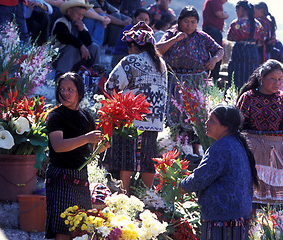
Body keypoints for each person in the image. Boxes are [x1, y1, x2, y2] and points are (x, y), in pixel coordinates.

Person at [45, 72, 110, 240]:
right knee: (64, 228)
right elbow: (58, 146)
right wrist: (86, 138)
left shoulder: (86, 116)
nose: (65, 93)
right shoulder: (56, 116)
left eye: (70, 89)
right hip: (61, 177)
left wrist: (104, 144)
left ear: (80, 93)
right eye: (62, 89)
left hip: (81, 177)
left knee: (82, 227)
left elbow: (91, 149)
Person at [104, 21, 167, 193]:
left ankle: (123, 194)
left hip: (132, 118)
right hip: (154, 120)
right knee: (148, 159)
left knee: (127, 158)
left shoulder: (130, 61)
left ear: (133, 45)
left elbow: (111, 87)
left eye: (129, 45)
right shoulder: (161, 64)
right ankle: (148, 196)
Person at [180, 104, 258, 240]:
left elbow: (201, 178)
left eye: (212, 120)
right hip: (237, 217)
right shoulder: (236, 143)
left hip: (223, 219)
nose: (206, 123)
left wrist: (181, 186)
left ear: (225, 126)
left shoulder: (222, 147)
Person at [156, 5, 223, 155]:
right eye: (186, 21)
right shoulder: (171, 34)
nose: (190, 25)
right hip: (175, 80)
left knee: (195, 116)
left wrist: (214, 60)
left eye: (193, 22)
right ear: (179, 21)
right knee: (173, 115)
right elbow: (157, 49)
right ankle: (173, 149)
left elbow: (220, 50)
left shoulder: (202, 37)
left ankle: (195, 151)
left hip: (197, 82)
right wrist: (175, 39)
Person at [236, 59, 283, 211]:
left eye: (280, 79)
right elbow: (238, 126)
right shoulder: (248, 97)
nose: (277, 83)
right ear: (262, 77)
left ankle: (276, 233)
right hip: (252, 152)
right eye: (273, 78)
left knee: (278, 202)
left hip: (278, 153)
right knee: (252, 197)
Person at [52, 0, 101, 77]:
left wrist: (82, 31)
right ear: (69, 11)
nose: (80, 17)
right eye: (78, 14)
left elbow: (88, 42)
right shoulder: (61, 22)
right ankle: (61, 74)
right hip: (60, 57)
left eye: (82, 15)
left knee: (95, 47)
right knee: (72, 47)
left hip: (77, 57)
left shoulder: (81, 24)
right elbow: (66, 38)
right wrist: (81, 46)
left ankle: (94, 72)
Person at [227, 0, 262, 89]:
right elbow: (260, 39)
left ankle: (237, 96)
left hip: (240, 50)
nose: (237, 13)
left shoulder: (236, 23)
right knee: (251, 75)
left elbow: (229, 37)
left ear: (241, 9)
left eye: (237, 10)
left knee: (237, 75)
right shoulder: (257, 24)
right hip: (253, 52)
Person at [202, 0, 229, 83]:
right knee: (215, 53)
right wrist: (226, 15)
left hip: (212, 30)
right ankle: (212, 79)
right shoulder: (215, 1)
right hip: (212, 31)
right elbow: (219, 14)